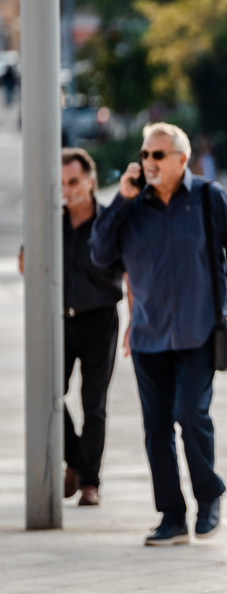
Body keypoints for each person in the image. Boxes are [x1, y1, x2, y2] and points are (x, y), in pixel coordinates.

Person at [90, 122, 227, 546]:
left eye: (157, 155)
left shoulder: (209, 199)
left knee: (191, 414)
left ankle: (209, 494)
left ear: (181, 160)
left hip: (198, 332)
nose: (148, 163)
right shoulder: (130, 206)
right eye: (145, 155)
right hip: (148, 336)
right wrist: (120, 198)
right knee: (156, 428)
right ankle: (171, 516)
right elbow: (99, 254)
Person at [18, 148, 125, 507]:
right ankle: (77, 462)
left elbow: (132, 271)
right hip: (59, 319)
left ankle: (89, 482)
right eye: (62, 183)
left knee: (94, 403)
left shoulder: (109, 221)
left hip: (100, 319)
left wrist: (137, 321)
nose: (68, 189)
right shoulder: (51, 219)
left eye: (74, 182)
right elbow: (25, 265)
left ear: (91, 181)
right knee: (48, 393)